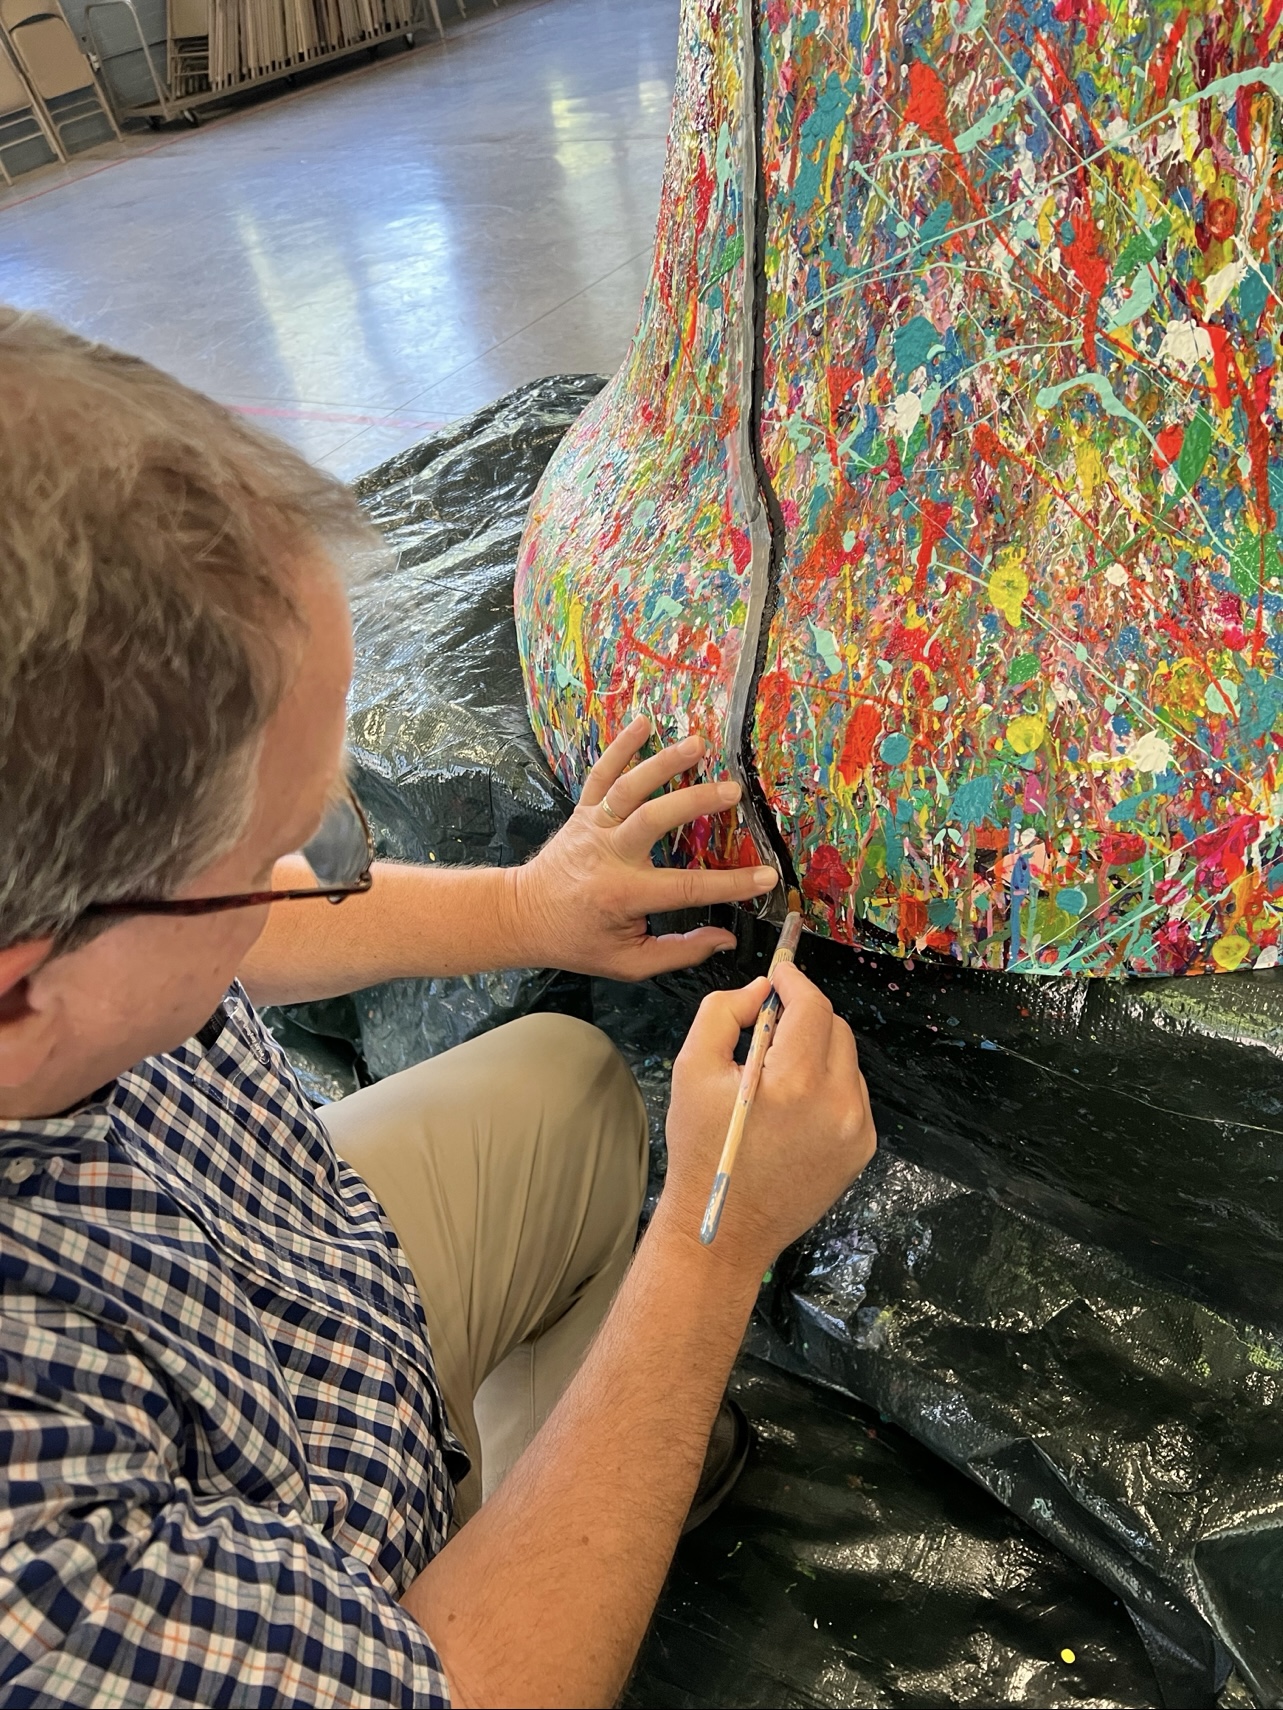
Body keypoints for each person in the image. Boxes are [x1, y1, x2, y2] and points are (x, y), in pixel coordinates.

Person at [0, 307, 876, 1708]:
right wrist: (711, 1244)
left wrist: (527, 908)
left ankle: (531, 1493)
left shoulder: (68, 945)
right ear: (24, 985)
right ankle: (537, 1564)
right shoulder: (37, 1555)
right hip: (349, 1612)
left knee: (570, 1089)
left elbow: (235, 932)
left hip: (302, 1294)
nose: (315, 870)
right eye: (274, 849)